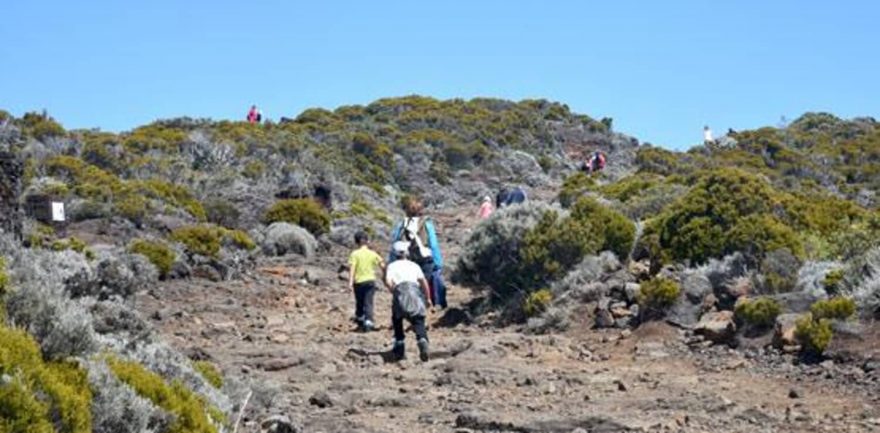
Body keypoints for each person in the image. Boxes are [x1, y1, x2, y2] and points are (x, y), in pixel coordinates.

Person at [389, 197, 446, 308]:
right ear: (420, 210)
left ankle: (411, 307)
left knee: (412, 284)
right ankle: (424, 309)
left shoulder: (402, 225)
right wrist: (438, 262)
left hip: (409, 258)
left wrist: (391, 261)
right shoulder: (426, 223)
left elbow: (395, 243)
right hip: (425, 258)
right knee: (424, 283)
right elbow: (433, 244)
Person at [385, 241, 432, 361]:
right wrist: (428, 298)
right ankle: (422, 339)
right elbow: (423, 282)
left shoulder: (391, 266)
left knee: (397, 319)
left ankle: (399, 346)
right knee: (418, 319)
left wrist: (393, 290)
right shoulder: (414, 265)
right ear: (407, 252)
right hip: (414, 292)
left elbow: (388, 281)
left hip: (400, 292)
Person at [348, 231, 385, 332]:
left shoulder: (354, 254)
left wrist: (350, 282)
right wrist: (385, 276)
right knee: (368, 302)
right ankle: (369, 321)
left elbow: (352, 269)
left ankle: (360, 319)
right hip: (370, 280)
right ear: (366, 241)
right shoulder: (373, 253)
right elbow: (382, 265)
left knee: (359, 302)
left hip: (358, 282)